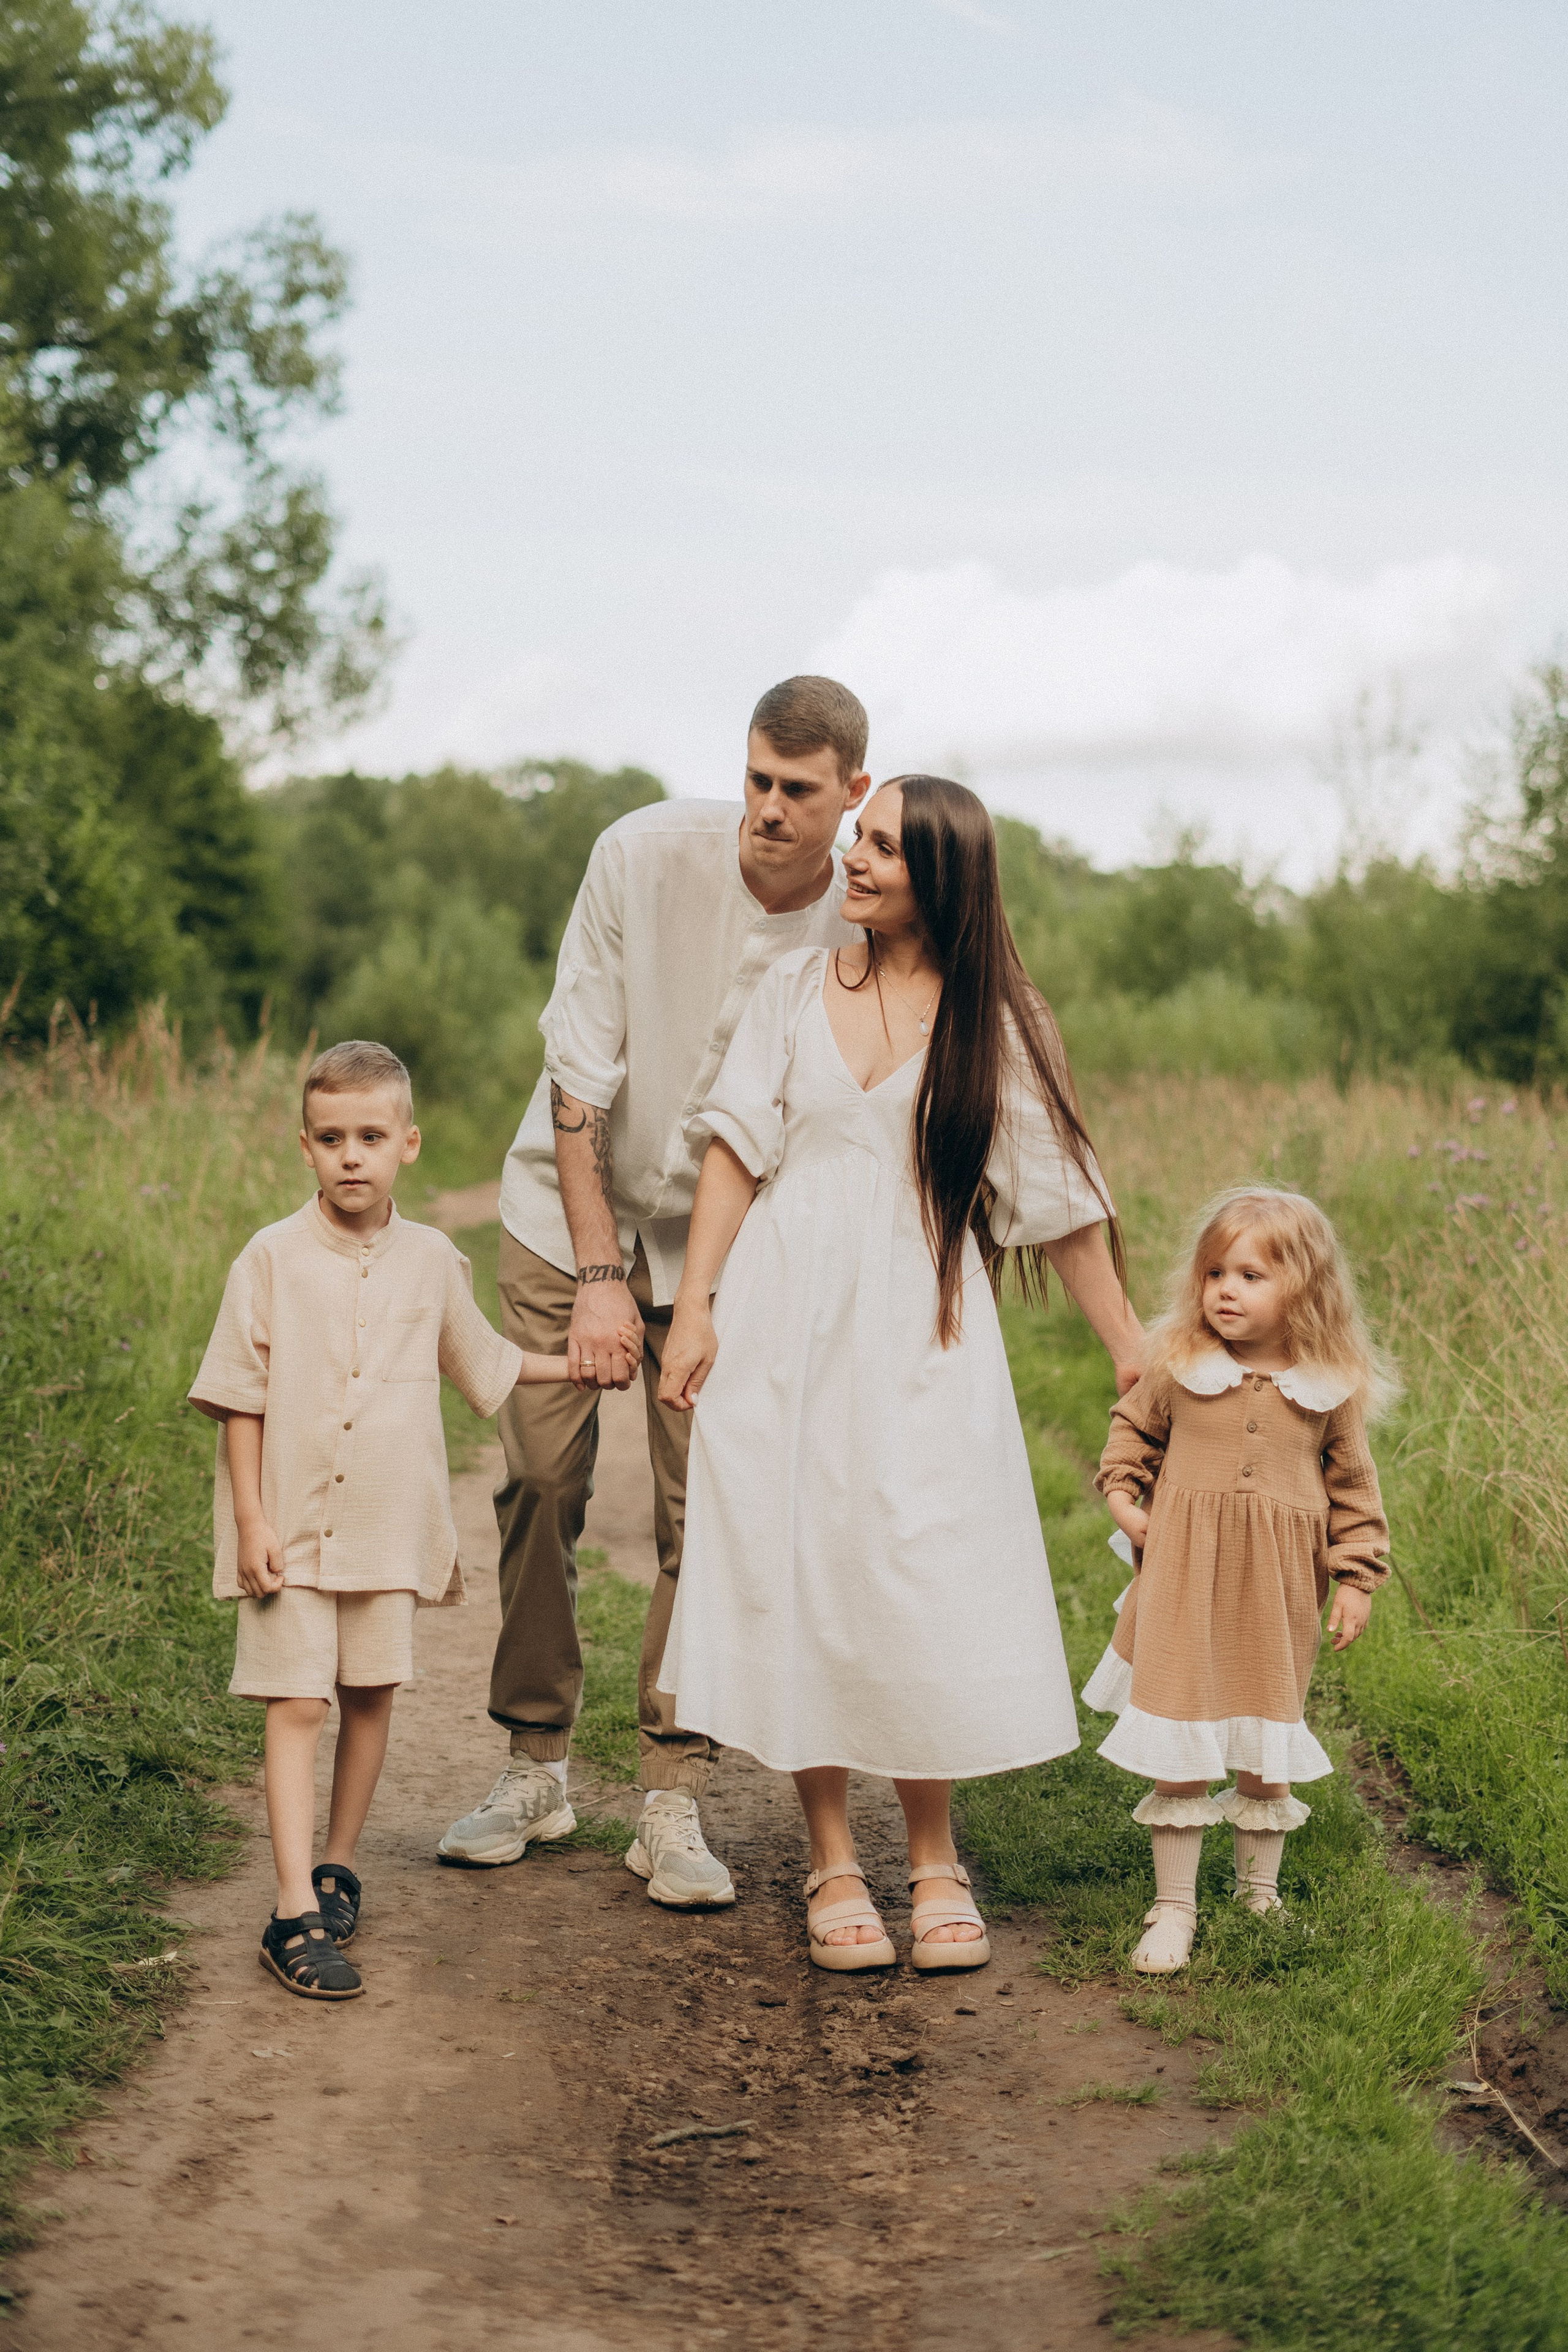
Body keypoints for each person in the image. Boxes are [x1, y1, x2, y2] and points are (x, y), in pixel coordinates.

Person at [654, 775, 1145, 1973]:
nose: (851, 860)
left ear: (940, 879)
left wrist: (1134, 1353)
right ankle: (829, 1853)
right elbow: (733, 1153)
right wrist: (696, 1308)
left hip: (922, 1332)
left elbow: (1060, 1209)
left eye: (878, 848)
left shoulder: (997, 1016)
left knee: (918, 1571)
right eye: (857, 839)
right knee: (801, 1569)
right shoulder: (788, 991)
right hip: (781, 1324)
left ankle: (931, 1855)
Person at [438, 678, 872, 1906]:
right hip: (562, 1214)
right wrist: (594, 1278)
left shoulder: (864, 915)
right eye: (755, 781)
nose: (768, 811)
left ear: (851, 790)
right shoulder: (638, 854)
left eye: (797, 790)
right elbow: (578, 1084)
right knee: (539, 1473)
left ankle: (670, 1796)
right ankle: (533, 1764)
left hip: (729, 1251)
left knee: (707, 1513)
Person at [190, 1041, 636, 2000]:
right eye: (332, 1138)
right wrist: (252, 1518)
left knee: (367, 1696)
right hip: (290, 1530)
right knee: (296, 1703)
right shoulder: (269, 1258)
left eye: (372, 1137)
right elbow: (237, 1397)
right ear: (305, 1147)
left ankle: (336, 1868)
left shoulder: (434, 1260)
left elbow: (490, 1363)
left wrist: (591, 1364)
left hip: (386, 1528)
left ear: (409, 1144)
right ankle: (289, 1910)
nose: (353, 1155)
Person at [1085, 1185, 1394, 1977]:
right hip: (1183, 1580)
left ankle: (1260, 1892)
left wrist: (1355, 1579)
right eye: (1216, 1272)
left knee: (1266, 1733)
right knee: (1181, 1730)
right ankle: (1174, 1905)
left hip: (1277, 1594)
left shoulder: (1329, 1388)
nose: (1225, 1289)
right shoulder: (1180, 1367)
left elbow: (1356, 1492)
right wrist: (1126, 1499)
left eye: (1251, 1276)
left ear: (1306, 1291)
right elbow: (1132, 1432)